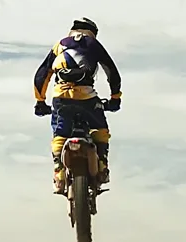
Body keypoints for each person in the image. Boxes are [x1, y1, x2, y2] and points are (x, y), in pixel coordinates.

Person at [34, 17, 122, 194]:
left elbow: (42, 74)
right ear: (93, 32)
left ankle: (58, 173)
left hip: (61, 99)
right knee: (100, 130)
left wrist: (40, 101)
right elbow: (112, 72)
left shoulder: (59, 45)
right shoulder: (93, 44)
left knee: (60, 133)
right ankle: (103, 166)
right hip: (87, 98)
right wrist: (115, 98)